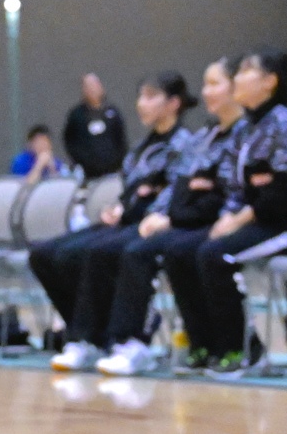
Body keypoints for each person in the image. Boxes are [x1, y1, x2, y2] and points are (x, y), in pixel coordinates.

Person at [165, 52, 287, 373]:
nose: (237, 78)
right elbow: (232, 187)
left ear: (270, 81)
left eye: (246, 71)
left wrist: (239, 219)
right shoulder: (246, 130)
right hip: (257, 225)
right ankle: (204, 345)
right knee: (180, 251)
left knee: (216, 256)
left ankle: (234, 351)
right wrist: (226, 216)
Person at [97, 57, 244, 376]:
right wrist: (161, 213)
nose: (206, 92)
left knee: (153, 251)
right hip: (190, 219)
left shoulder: (247, 135)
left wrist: (176, 217)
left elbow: (229, 190)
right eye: (204, 84)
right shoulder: (203, 138)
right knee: (162, 249)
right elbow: (182, 187)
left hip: (225, 220)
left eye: (214, 84)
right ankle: (200, 341)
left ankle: (233, 345)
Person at [41, 74, 192, 368]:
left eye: (150, 96)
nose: (141, 104)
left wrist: (153, 209)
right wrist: (118, 207)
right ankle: (88, 333)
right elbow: (132, 189)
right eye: (140, 96)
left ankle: (127, 340)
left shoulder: (185, 144)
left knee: (101, 251)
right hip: (128, 221)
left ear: (173, 103)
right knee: (48, 255)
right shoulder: (140, 148)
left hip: (159, 223)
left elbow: (175, 190)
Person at [64, 74, 129, 178]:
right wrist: (82, 160)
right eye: (88, 86)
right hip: (88, 174)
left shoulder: (112, 112)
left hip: (113, 172)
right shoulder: (76, 115)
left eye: (94, 85)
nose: (92, 89)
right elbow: (70, 140)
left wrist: (119, 161)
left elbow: (121, 138)